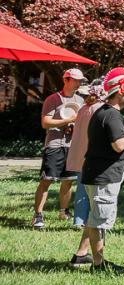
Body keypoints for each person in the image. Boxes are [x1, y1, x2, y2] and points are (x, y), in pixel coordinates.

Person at [80, 67, 124, 272]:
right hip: (104, 175)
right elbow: (118, 145)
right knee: (98, 220)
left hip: (98, 173)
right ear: (120, 91)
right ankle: (98, 264)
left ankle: (97, 261)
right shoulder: (112, 116)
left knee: (97, 218)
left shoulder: (104, 112)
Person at [34, 68, 86, 229]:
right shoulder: (53, 99)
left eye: (80, 81)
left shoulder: (80, 101)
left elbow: (81, 123)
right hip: (55, 144)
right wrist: (68, 120)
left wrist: (74, 126)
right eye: (76, 80)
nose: (79, 83)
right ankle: (38, 215)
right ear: (66, 79)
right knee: (46, 180)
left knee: (68, 181)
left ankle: (64, 211)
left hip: (72, 145)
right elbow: (45, 122)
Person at [65, 79, 102, 267]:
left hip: (83, 163)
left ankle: (83, 252)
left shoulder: (83, 109)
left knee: (91, 209)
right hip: (94, 164)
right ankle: (89, 256)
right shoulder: (100, 111)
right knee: (95, 210)